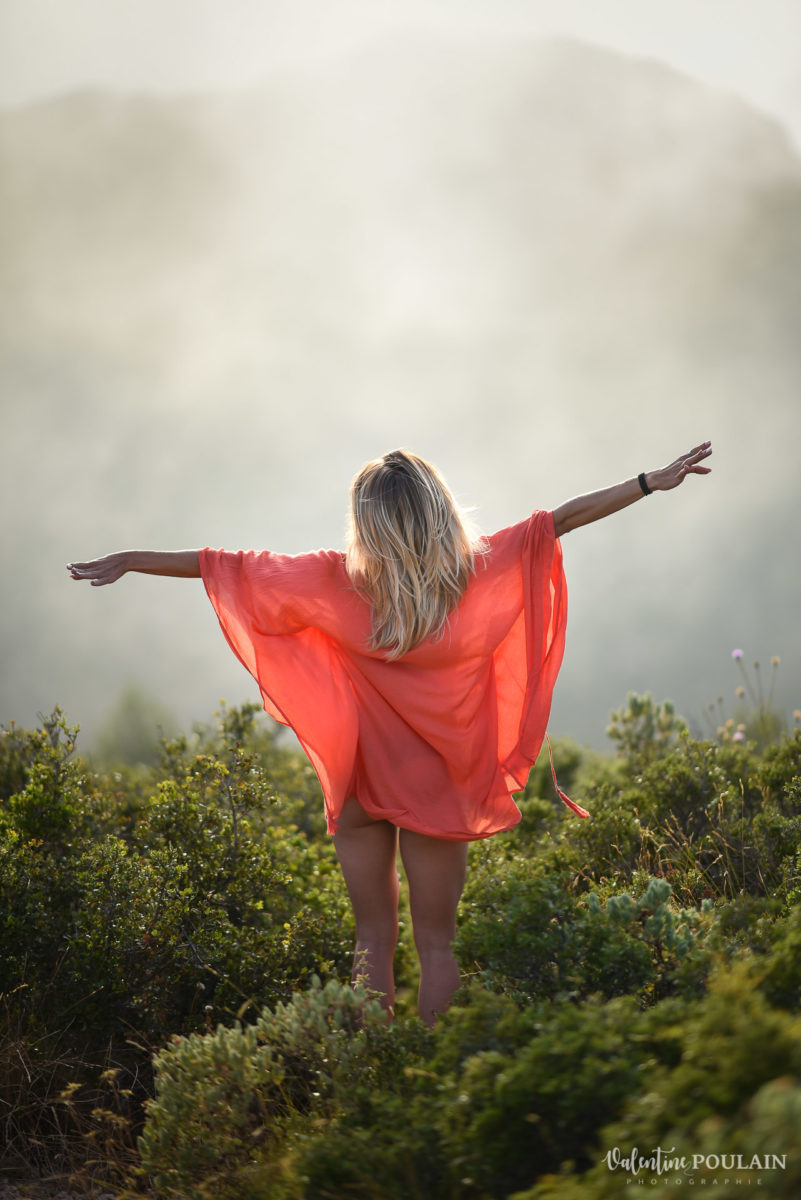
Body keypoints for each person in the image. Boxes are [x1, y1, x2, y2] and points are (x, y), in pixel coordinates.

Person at [68, 440, 712, 1024]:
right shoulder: (476, 572)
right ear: (439, 510)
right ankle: (425, 1080)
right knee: (438, 943)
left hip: (360, 779)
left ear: (365, 524)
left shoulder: (336, 579)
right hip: (440, 784)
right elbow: (562, 519)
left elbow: (226, 565)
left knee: (370, 938)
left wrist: (133, 559)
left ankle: (363, 1068)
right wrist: (649, 483)